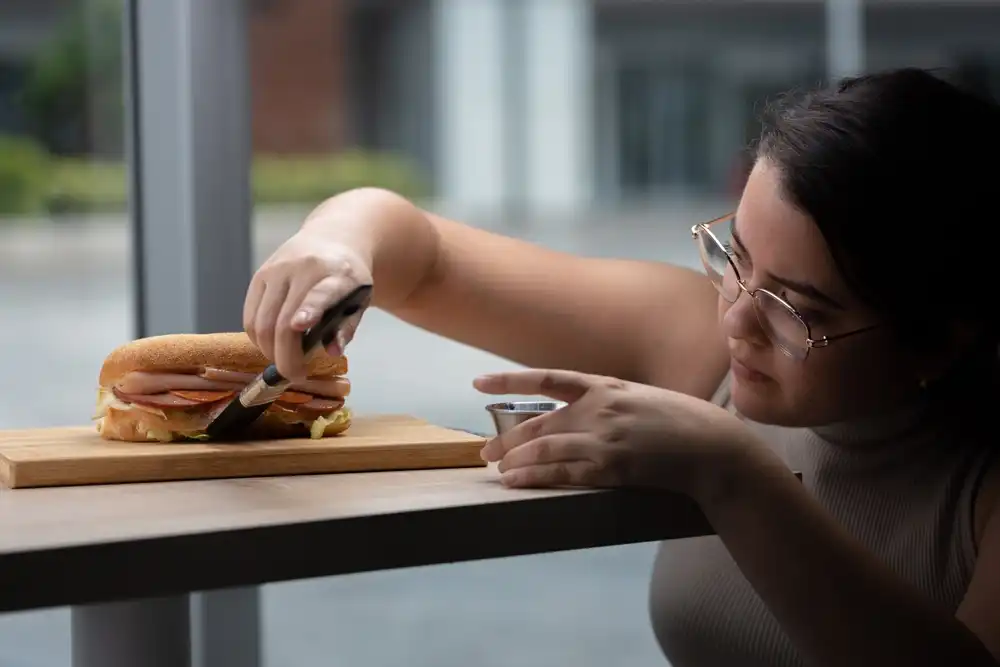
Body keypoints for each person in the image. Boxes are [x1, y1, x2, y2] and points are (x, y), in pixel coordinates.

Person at [243, 67, 1000, 666]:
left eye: (797, 309)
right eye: (734, 257)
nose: (735, 317)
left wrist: (733, 473)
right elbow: (426, 260)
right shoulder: (701, 339)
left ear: (940, 340)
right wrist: (340, 241)